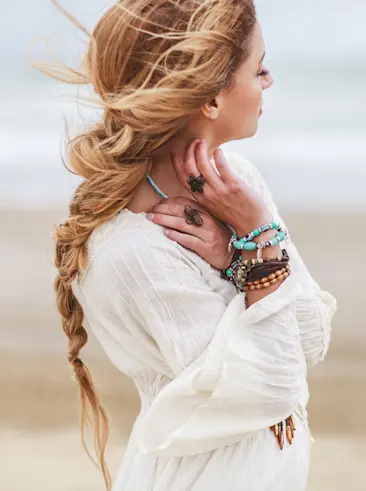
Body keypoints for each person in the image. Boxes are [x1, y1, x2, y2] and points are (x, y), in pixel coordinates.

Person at [40, 1, 337, 490]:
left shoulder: (237, 186)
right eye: (258, 68)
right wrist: (259, 245)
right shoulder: (131, 249)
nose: (269, 81)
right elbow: (276, 385)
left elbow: (310, 339)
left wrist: (239, 250)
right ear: (212, 99)